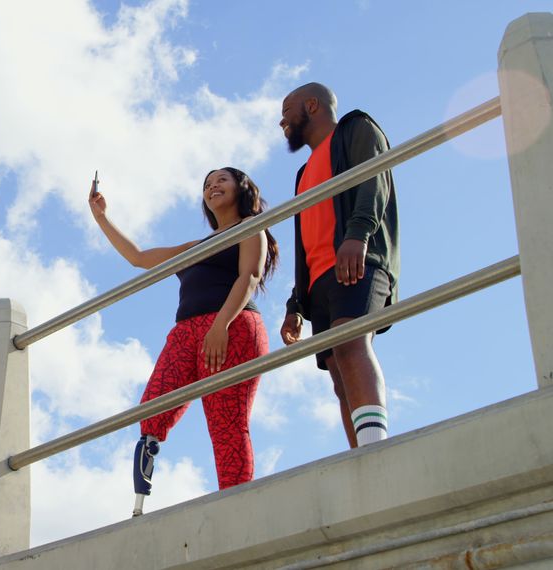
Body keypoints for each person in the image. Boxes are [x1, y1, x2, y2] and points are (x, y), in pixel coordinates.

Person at [89, 167, 278, 517]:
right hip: (186, 331)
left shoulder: (251, 227)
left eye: (222, 179)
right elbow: (138, 258)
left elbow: (249, 276)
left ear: (242, 187)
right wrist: (102, 217)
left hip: (231, 327)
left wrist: (221, 325)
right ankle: (140, 495)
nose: (212, 186)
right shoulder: (194, 247)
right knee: (153, 407)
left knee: (226, 424)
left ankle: (237, 506)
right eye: (207, 184)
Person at [278, 82, 400, 449]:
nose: (281, 121)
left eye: (286, 111)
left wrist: (358, 235)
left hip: (356, 260)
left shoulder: (356, 128)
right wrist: (296, 304)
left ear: (311, 105)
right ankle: (360, 454)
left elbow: (373, 179)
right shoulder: (302, 175)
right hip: (318, 283)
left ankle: (376, 447)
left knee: (350, 344)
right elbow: (306, 241)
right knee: (336, 372)